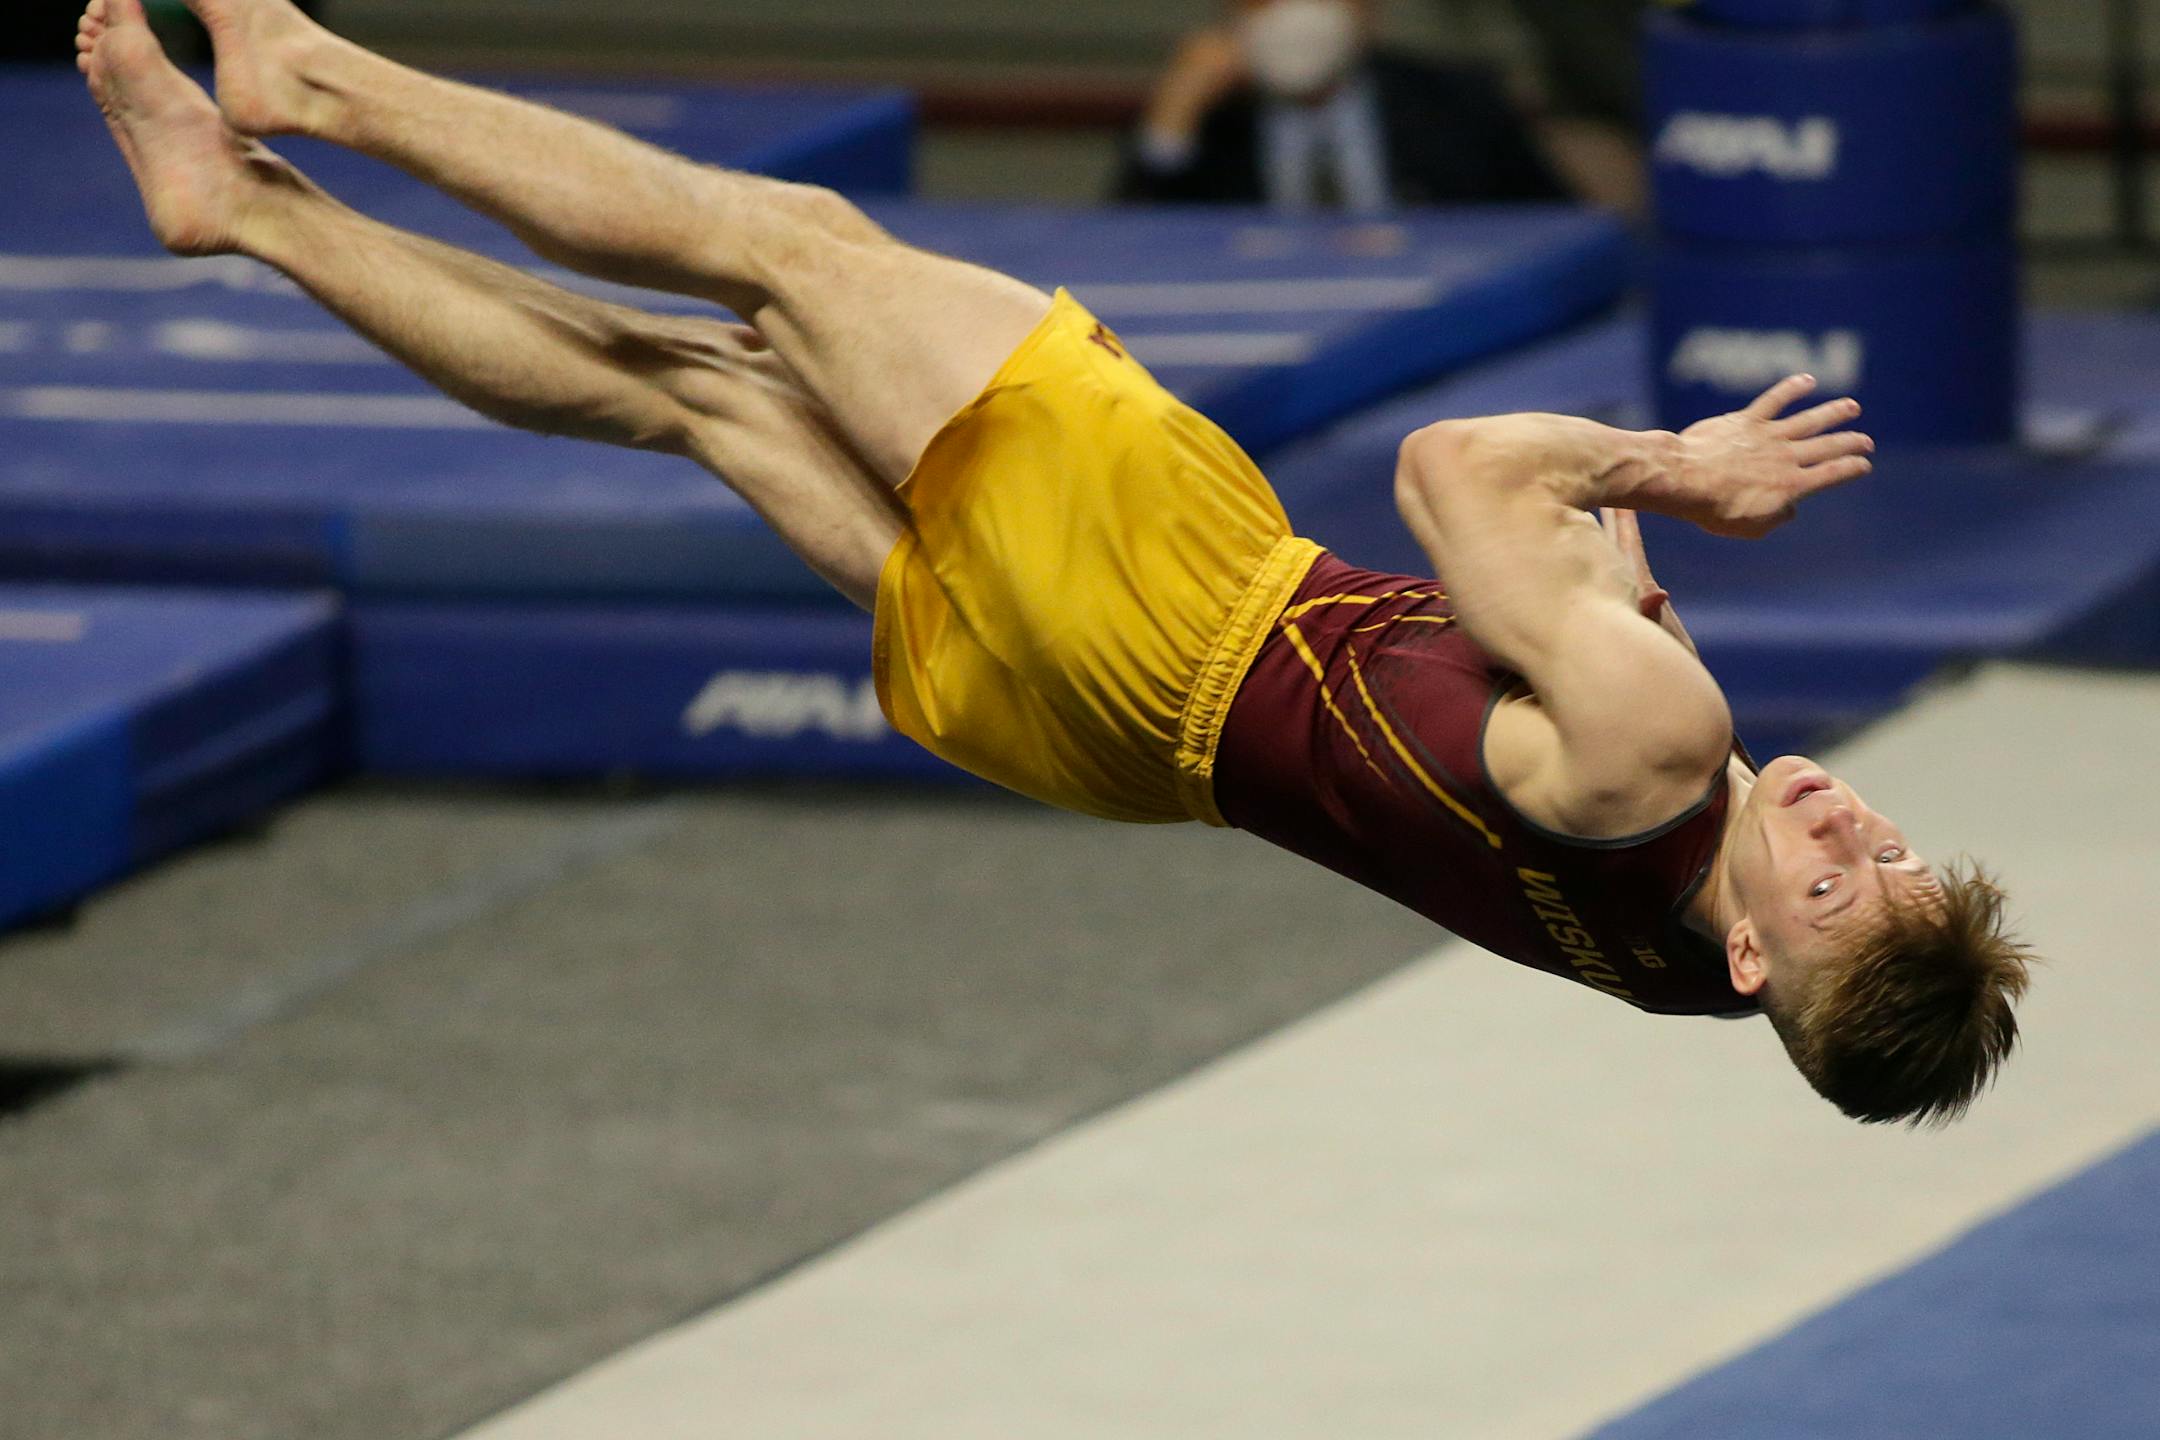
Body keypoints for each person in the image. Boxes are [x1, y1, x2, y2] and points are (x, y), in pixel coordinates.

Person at [77, 0, 2032, 1126]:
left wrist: (1664, 473)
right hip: (1127, 761)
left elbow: (1450, 471)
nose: (1859, 825)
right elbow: (1514, 766)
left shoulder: (1668, 748)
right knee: (704, 402)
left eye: (1845, 883)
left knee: (792, 252)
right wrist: (1589, 617)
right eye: (1905, 849)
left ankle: (309, 86)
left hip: (1180, 600)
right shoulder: (1701, 985)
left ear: (1765, 948)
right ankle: (245, 211)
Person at [1112, 0, 1568, 214]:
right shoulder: (1211, 119)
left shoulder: (1458, 101)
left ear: (1369, 11)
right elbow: (1125, 249)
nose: (1296, 12)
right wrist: (1172, 120)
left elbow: (1554, 229)